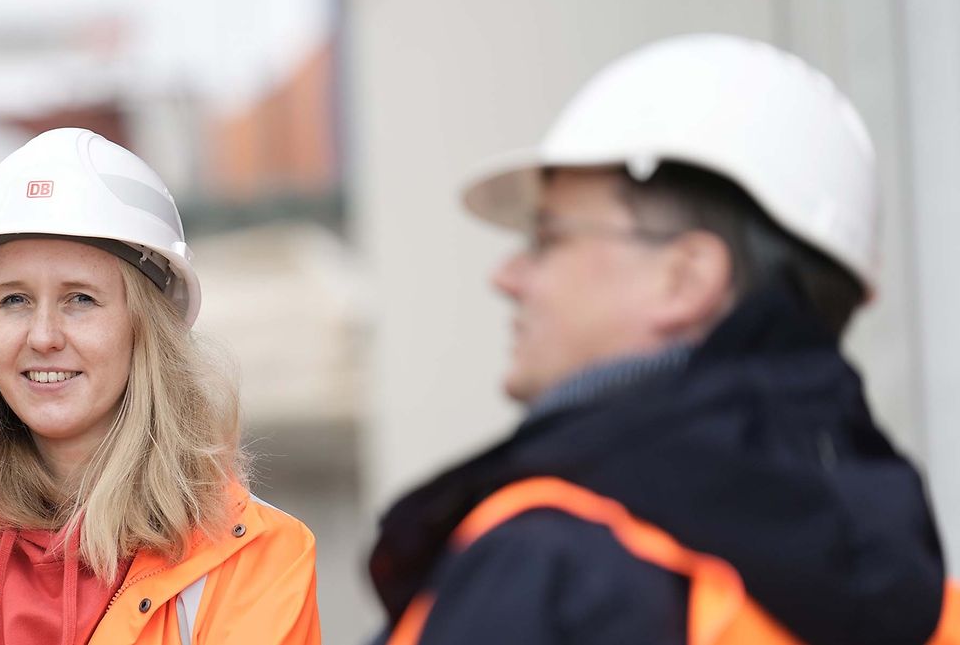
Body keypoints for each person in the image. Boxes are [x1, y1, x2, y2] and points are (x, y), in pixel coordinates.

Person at [370, 34, 959, 644]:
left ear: (686, 279)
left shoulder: (551, 564)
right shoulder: (923, 604)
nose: (507, 276)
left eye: (547, 239)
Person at [0, 128, 321, 645]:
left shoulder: (255, 562)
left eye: (81, 299)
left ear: (147, 330)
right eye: (14, 300)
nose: (43, 336)